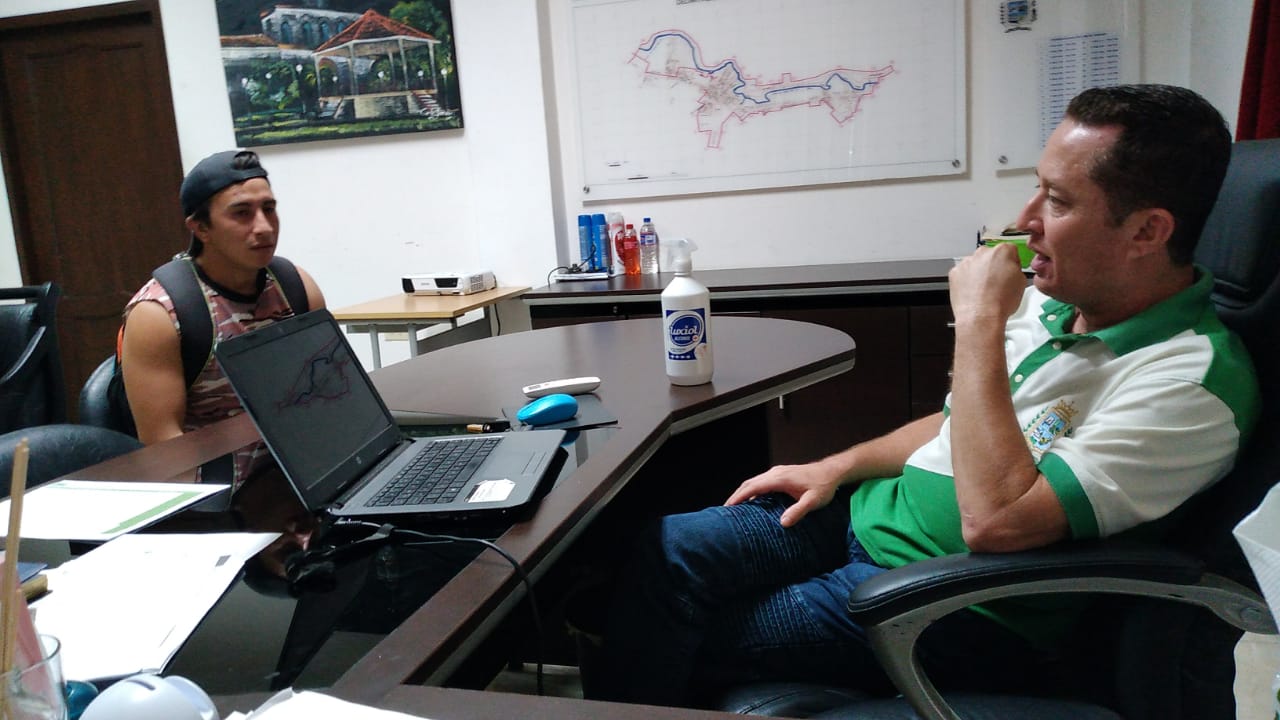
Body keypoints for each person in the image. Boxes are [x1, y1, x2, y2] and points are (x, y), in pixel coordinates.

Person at [594, 84, 1261, 706]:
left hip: (953, 602)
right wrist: (835, 467)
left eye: (1057, 202)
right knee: (669, 548)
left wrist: (978, 322)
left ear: (1147, 232)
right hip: (870, 520)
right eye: (1037, 189)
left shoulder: (1190, 385)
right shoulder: (1061, 304)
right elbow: (957, 424)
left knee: (685, 631)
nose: (1024, 220)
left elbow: (995, 523)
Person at [120, 149, 326, 487]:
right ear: (200, 227)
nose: (264, 227)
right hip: (222, 494)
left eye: (269, 209)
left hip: (304, 476)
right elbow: (163, 447)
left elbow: (330, 392)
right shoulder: (158, 315)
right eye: (242, 213)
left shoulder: (296, 286)